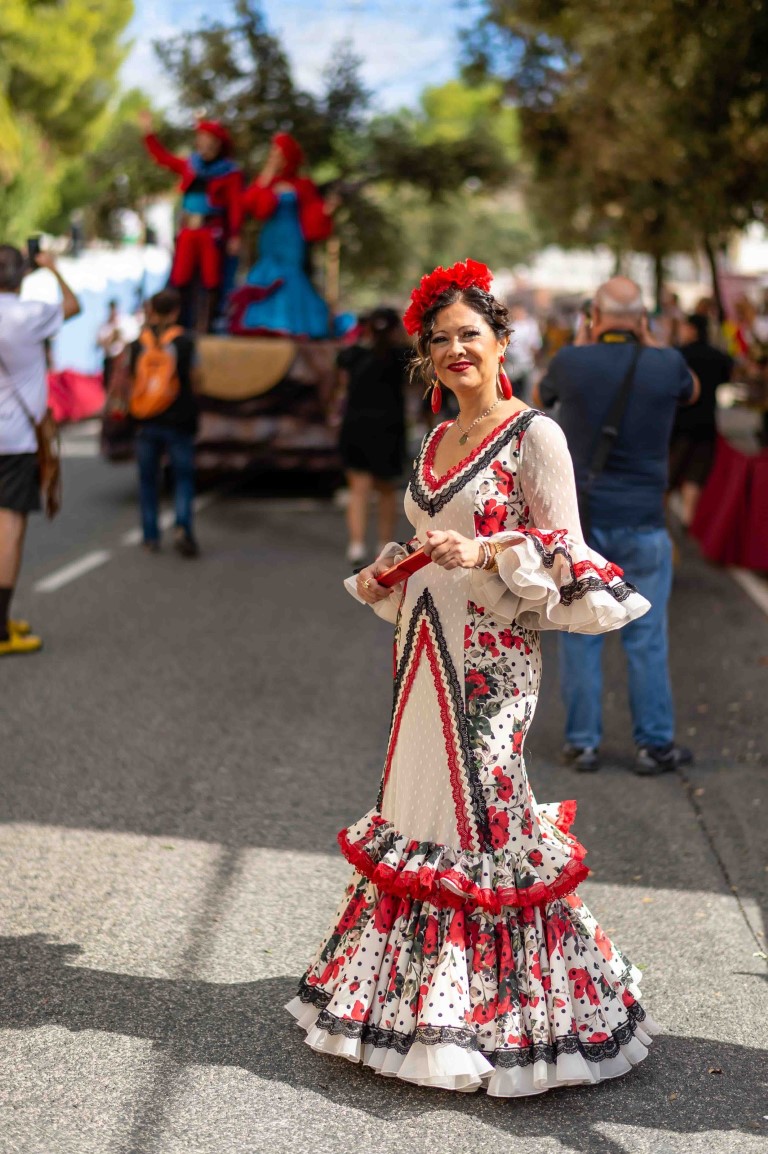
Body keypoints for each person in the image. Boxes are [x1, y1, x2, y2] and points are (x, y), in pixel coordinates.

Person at [287, 259, 656, 1096]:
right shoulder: (435, 437)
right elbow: (433, 536)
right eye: (441, 340)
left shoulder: (534, 435)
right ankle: (421, 1004)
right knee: (423, 811)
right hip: (422, 647)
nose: (456, 350)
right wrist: (394, 565)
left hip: (490, 660)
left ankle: (513, 1012)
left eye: (470, 335)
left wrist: (485, 551)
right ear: (427, 356)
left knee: (489, 819)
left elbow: (566, 555)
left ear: (500, 341)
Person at [534, 276, 700, 775]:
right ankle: (654, 745)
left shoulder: (570, 361)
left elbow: (541, 395)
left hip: (582, 524)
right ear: (643, 318)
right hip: (644, 521)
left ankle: (583, 743)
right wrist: (652, 341)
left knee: (581, 633)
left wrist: (582, 342)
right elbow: (692, 392)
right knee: (646, 638)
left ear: (595, 317)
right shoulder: (667, 363)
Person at [0, 245, 80, 656]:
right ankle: (1, 629)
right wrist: (52, 268)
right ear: (21, 276)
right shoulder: (28, 313)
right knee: (9, 528)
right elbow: (73, 305)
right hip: (15, 438)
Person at [140, 110, 243, 332]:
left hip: (211, 231)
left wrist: (235, 235)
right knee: (179, 277)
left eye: (208, 139)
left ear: (217, 143)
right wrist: (149, 133)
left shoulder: (229, 172)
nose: (203, 144)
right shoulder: (191, 165)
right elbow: (163, 158)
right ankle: (175, 323)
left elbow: (235, 205)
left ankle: (206, 325)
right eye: (201, 139)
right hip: (188, 230)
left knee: (211, 279)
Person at [231, 134, 334, 338]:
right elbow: (250, 205)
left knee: (290, 274)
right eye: (272, 154)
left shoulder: (302, 184)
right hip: (270, 234)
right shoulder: (267, 182)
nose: (275, 158)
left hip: (292, 236)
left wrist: (326, 211)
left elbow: (313, 212)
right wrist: (266, 176)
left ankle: (291, 324)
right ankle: (261, 322)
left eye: (279, 154)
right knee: (267, 270)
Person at [127, 289, 200, 557]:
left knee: (148, 481)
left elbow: (130, 382)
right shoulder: (186, 342)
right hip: (179, 422)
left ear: (152, 310)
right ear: (176, 311)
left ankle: (150, 536)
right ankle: (182, 527)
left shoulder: (139, 344)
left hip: (145, 421)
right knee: (183, 479)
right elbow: (196, 380)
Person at [336, 307, 409, 566]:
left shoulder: (351, 355)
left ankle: (356, 544)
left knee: (358, 489)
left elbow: (341, 387)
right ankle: (384, 544)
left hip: (356, 425)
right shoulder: (402, 355)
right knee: (387, 489)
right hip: (389, 427)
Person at [670, 314, 733, 524]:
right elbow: (728, 375)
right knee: (695, 475)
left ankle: (664, 525)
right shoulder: (718, 356)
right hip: (707, 424)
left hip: (680, 425)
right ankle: (688, 519)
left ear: (692, 329)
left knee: (670, 474)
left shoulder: (678, 356)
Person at [96, 299, 138, 390]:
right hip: (109, 361)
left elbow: (132, 340)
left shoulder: (125, 322)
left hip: (124, 360)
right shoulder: (104, 326)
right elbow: (99, 344)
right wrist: (111, 337)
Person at [505, 303, 543, 402]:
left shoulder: (531, 325)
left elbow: (536, 344)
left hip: (527, 363)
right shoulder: (510, 326)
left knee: (527, 391)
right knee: (514, 391)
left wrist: (536, 360)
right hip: (512, 365)